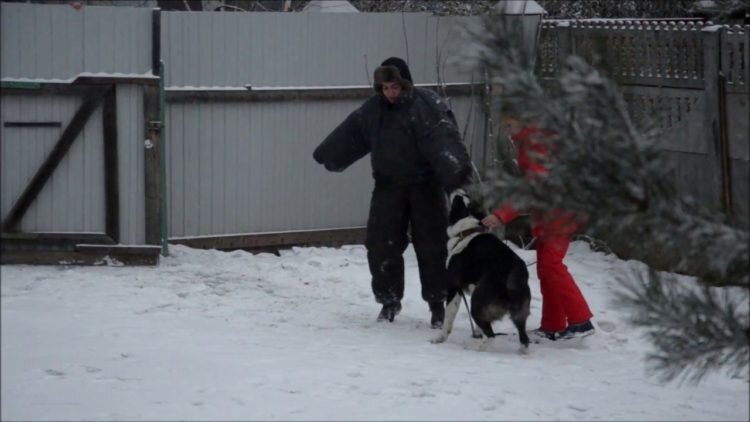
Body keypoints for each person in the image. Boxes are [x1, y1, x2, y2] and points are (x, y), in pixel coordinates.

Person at [313, 57, 472, 328]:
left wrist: (456, 178)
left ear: (405, 83)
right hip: (388, 186)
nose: (390, 93)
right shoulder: (373, 111)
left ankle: (437, 304)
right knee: (380, 244)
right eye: (385, 88)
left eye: (395, 87)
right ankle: (389, 301)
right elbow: (352, 134)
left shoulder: (426, 106)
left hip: (426, 187)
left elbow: (444, 143)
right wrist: (329, 155)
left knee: (431, 246)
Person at [481, 107, 594, 341]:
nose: (508, 131)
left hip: (558, 215)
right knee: (546, 269)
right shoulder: (533, 141)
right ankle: (552, 325)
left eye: (510, 125)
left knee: (552, 267)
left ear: (522, 120)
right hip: (551, 214)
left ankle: (581, 321)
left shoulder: (536, 145)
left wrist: (501, 215)